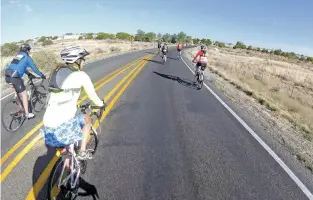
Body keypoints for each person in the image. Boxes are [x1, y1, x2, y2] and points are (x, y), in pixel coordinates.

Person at [41, 45, 105, 160]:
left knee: (67, 154)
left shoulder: (55, 72)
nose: (84, 62)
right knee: (87, 119)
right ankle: (82, 151)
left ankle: (65, 171)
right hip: (63, 126)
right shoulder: (80, 75)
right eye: (83, 60)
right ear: (77, 60)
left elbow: (61, 96)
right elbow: (93, 98)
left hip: (47, 127)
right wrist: (101, 104)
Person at [4, 43, 46, 119]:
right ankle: (27, 114)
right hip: (15, 77)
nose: (29, 52)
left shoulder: (18, 56)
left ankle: (18, 100)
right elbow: (34, 69)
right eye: (29, 50)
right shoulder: (27, 57)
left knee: (20, 87)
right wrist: (41, 75)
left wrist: (28, 74)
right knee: (24, 94)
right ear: (27, 50)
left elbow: (20, 67)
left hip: (7, 75)